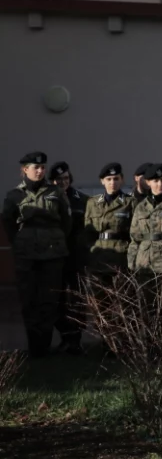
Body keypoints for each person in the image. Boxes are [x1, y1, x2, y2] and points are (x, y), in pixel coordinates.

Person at [1, 152, 71, 358]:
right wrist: (22, 242)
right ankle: (35, 348)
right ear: (24, 169)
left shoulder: (55, 192)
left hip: (52, 253)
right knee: (29, 299)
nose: (40, 171)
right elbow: (8, 223)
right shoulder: (14, 195)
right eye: (35, 167)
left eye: (42, 167)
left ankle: (45, 346)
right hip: (27, 254)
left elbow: (67, 223)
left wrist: (54, 239)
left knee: (49, 300)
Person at [48, 161, 89, 354]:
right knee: (55, 300)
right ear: (52, 182)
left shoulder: (81, 200)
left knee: (77, 300)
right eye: (58, 179)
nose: (62, 182)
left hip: (75, 258)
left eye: (65, 178)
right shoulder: (48, 201)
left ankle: (76, 339)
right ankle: (65, 336)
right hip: (54, 258)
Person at [84, 162, 137, 290]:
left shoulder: (130, 202)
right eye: (108, 179)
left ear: (122, 180)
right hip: (98, 257)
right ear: (102, 181)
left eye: (116, 179)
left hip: (120, 256)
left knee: (122, 299)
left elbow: (135, 232)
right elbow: (87, 232)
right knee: (99, 300)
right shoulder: (92, 203)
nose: (112, 182)